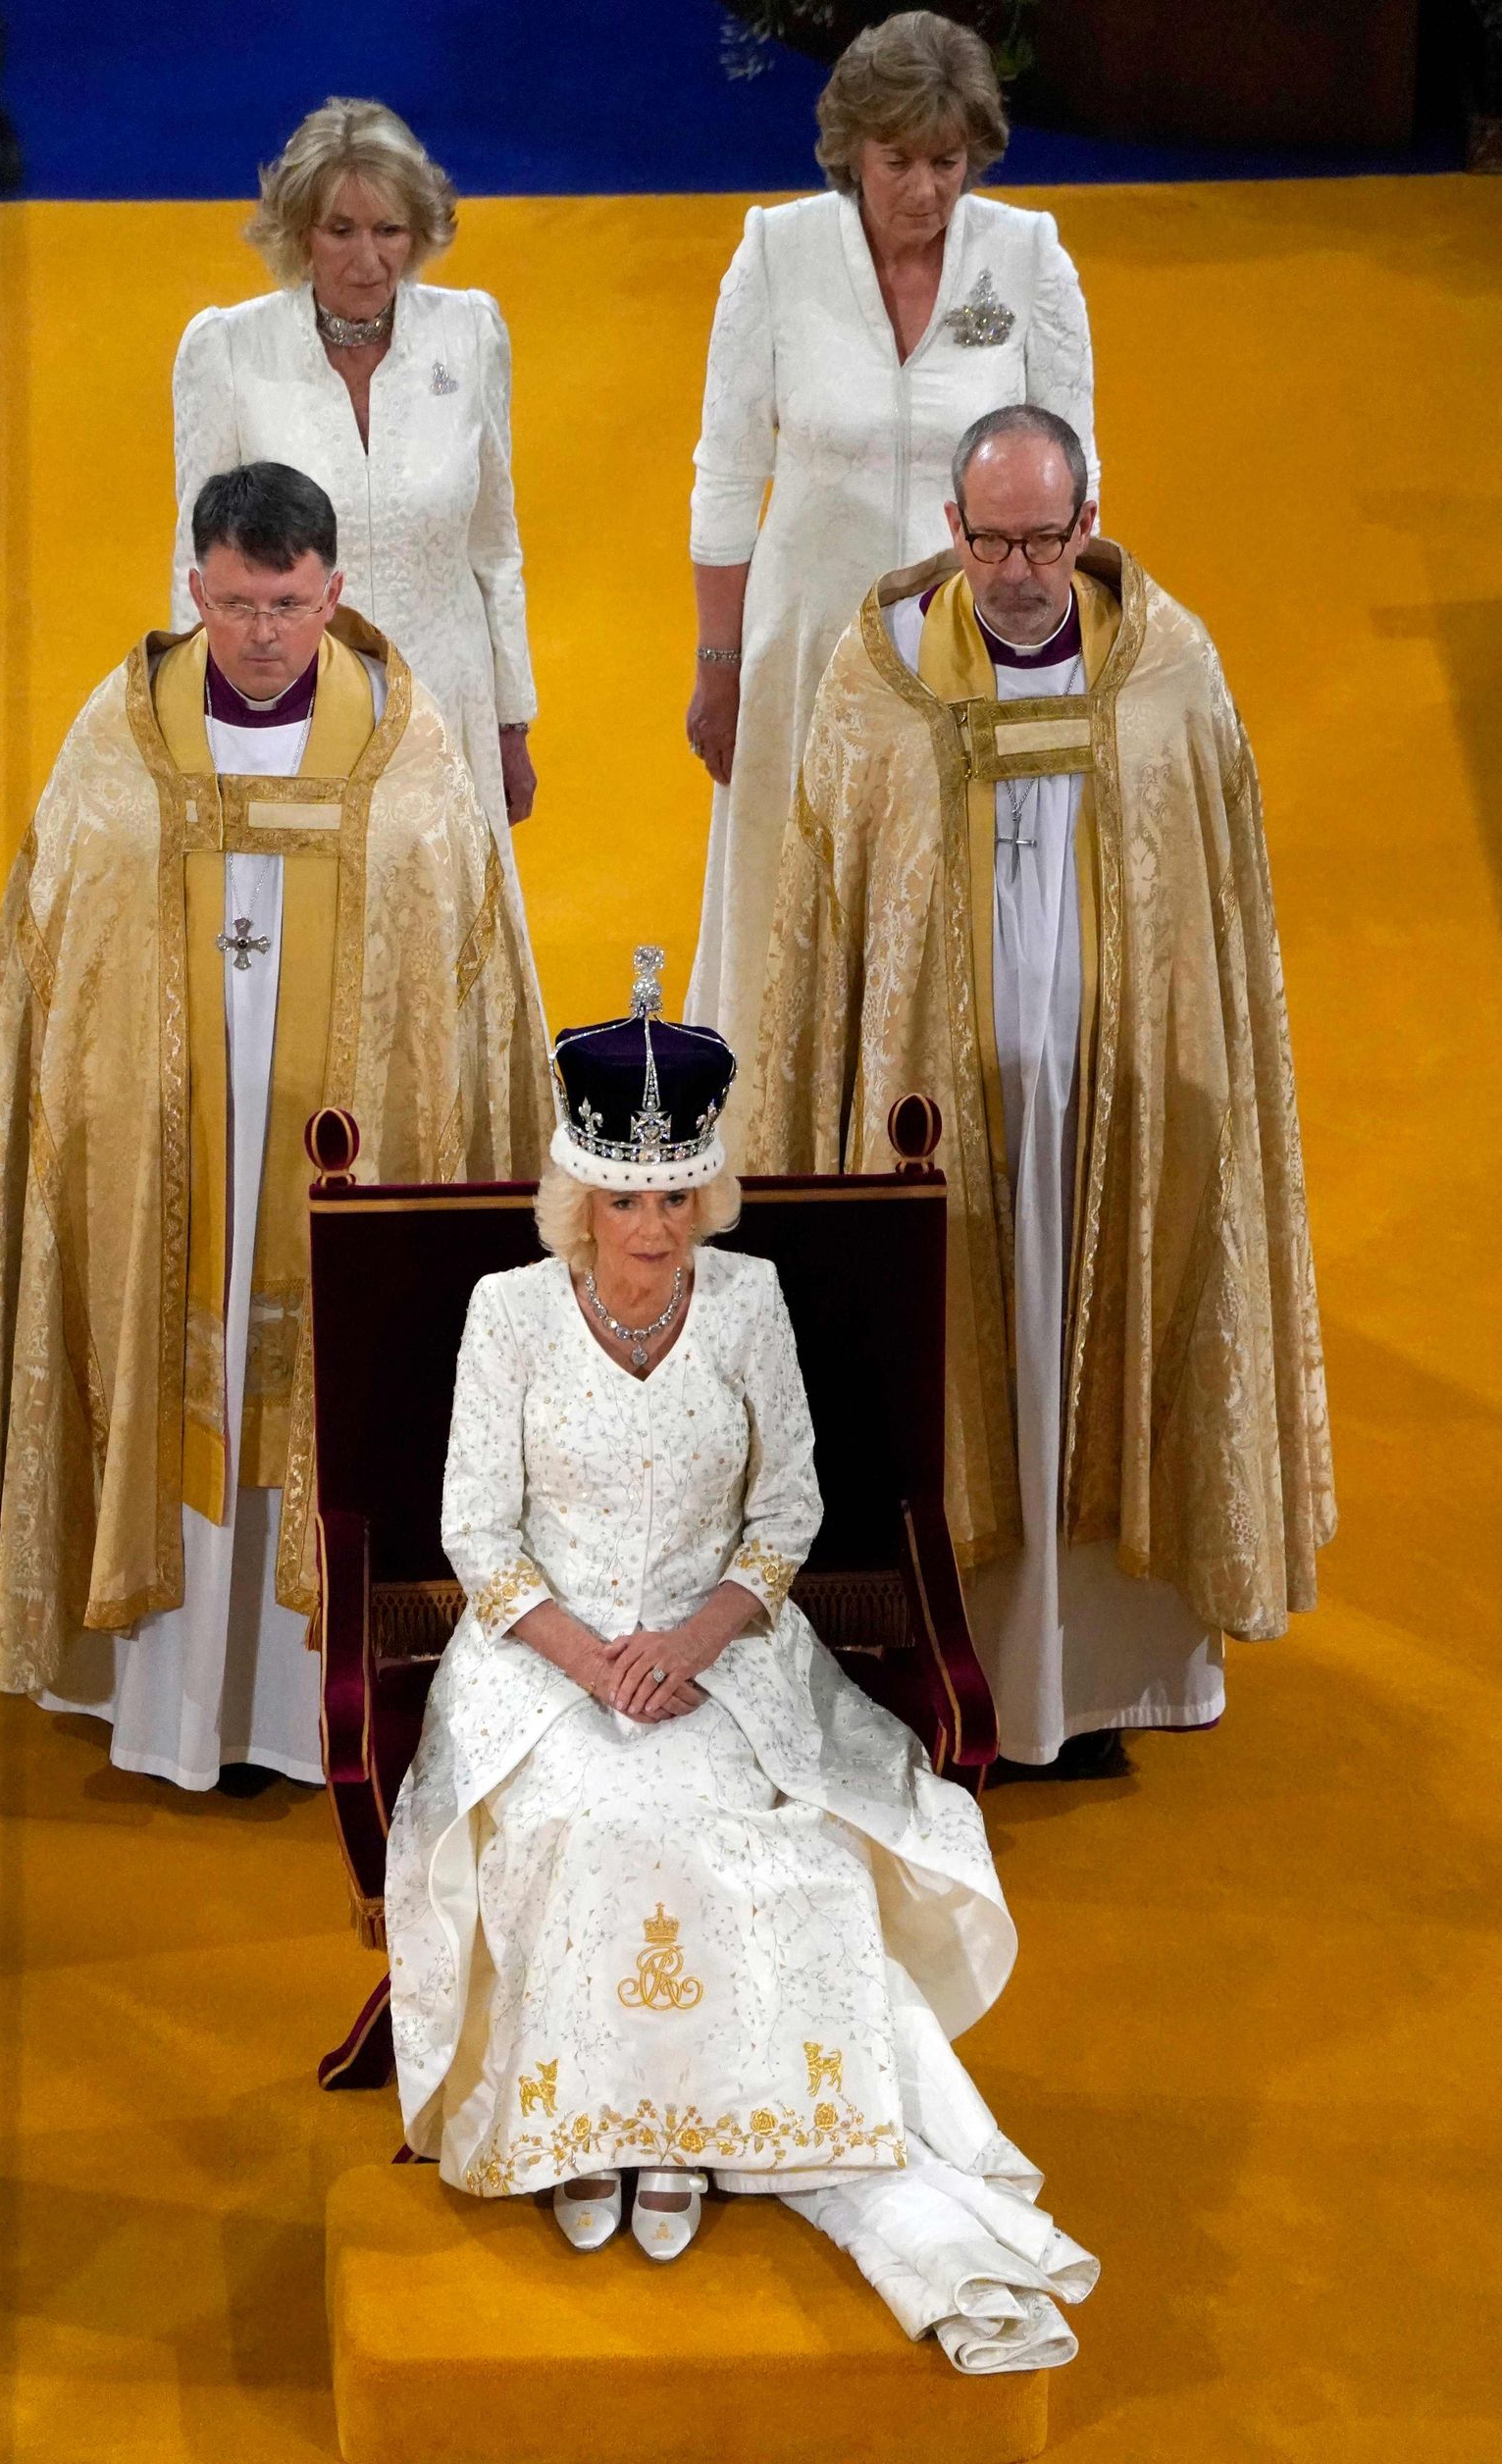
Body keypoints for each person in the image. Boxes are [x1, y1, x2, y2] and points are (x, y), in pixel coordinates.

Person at [384, 948, 1097, 2369]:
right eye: (628, 1196)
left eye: (678, 1196)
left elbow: (788, 1510)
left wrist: (697, 1639)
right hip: (543, 1658)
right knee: (583, 1825)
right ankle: (594, 2126)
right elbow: (474, 1526)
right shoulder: (507, 1317)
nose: (656, 1228)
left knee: (756, 1837)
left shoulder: (751, 1303)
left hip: (727, 1652)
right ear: (577, 1193)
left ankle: (687, 2133)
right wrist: (599, 1664)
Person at [0, 462, 551, 1789]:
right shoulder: (124, 735)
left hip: (344, 1153)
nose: (262, 634)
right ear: (192, 585)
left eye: (286, 603)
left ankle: (308, 1691)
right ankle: (166, 1703)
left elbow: (463, 975)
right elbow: (59, 961)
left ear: (333, 590)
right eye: (233, 603)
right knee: (185, 1364)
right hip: (166, 1160)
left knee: (321, 1365)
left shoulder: (409, 744)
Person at [752, 407, 1335, 1771]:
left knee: (1102, 1343)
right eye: (990, 536)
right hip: (936, 1123)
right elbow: (823, 928)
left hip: (1124, 1121)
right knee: (952, 1354)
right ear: (951, 530)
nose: (1018, 568)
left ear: (1088, 522)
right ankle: (946, 1667)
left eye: (1044, 535)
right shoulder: (877, 677)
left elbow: (1219, 914)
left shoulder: (1170, 673)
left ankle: (1103, 1688)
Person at [685, 10, 1096, 1164]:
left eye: (947, 161)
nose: (925, 189)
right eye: (898, 161)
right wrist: (718, 665)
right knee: (789, 895)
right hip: (807, 641)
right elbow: (726, 476)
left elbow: (1076, 464)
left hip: (984, 645)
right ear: (849, 155)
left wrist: (1064, 653)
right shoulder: (775, 251)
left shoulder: (1026, 259)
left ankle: (950, 1143)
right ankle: (776, 1149)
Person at [170, 97, 540, 884]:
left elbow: (495, 547)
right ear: (301, 232)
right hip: (287, 717)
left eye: (389, 231)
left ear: (419, 233)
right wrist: (200, 736)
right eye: (341, 230)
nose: (367, 259)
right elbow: (195, 565)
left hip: (449, 709)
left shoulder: (471, 334)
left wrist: (511, 724)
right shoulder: (228, 351)